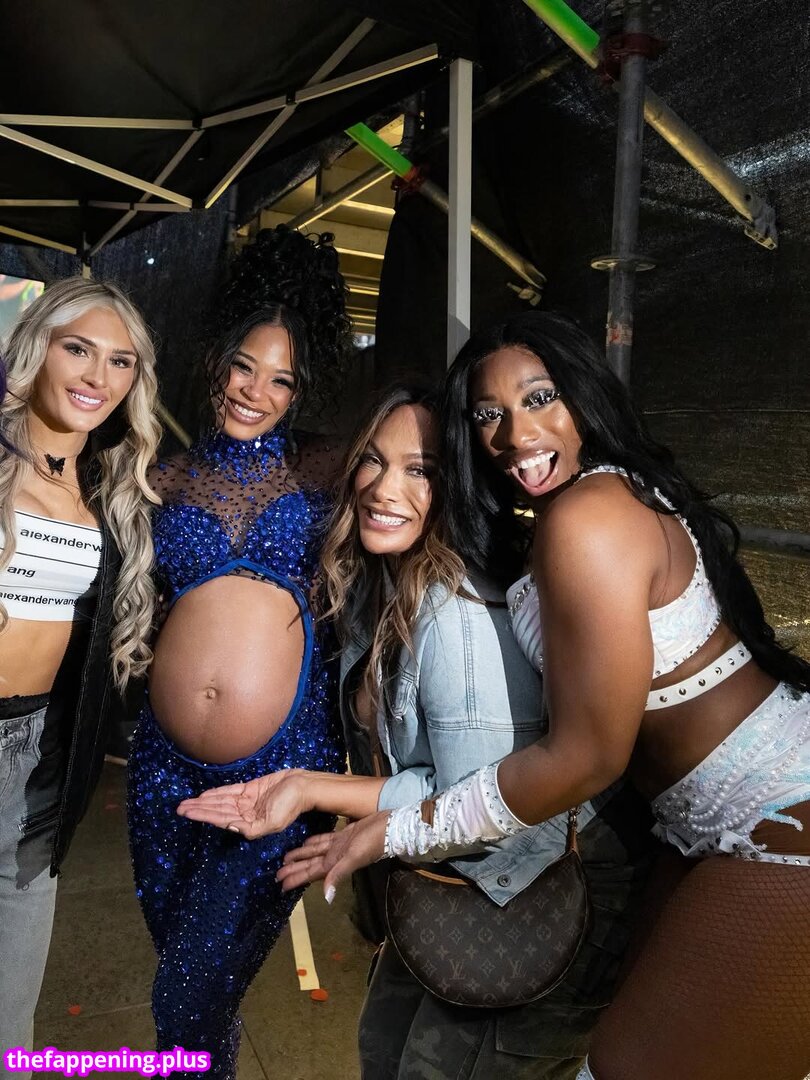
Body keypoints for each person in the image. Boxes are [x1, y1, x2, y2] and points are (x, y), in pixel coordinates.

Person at [276, 312, 810, 1080]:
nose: (516, 434)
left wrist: (397, 830)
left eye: (538, 397)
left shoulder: (587, 514)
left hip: (775, 814)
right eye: (487, 414)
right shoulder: (582, 502)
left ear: (584, 394)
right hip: (692, 823)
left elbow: (588, 757)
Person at [178, 384, 654, 1079]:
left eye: (420, 470)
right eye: (373, 460)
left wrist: (310, 789)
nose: (383, 488)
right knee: (381, 1051)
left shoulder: (455, 614)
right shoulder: (384, 584)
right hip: (447, 879)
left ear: (455, 486)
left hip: (528, 898)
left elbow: (482, 803)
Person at [127, 227, 349, 1080]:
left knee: (184, 996)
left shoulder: (325, 468)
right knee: (191, 985)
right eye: (245, 367)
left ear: (302, 390)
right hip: (162, 770)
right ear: (217, 361)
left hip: (281, 772)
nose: (256, 390)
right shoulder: (163, 478)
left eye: (280, 379)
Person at [0, 278, 160, 1078]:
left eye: (121, 361)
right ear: (35, 349)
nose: (99, 375)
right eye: (78, 349)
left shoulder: (109, 487)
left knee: (10, 1022)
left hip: (39, 760)